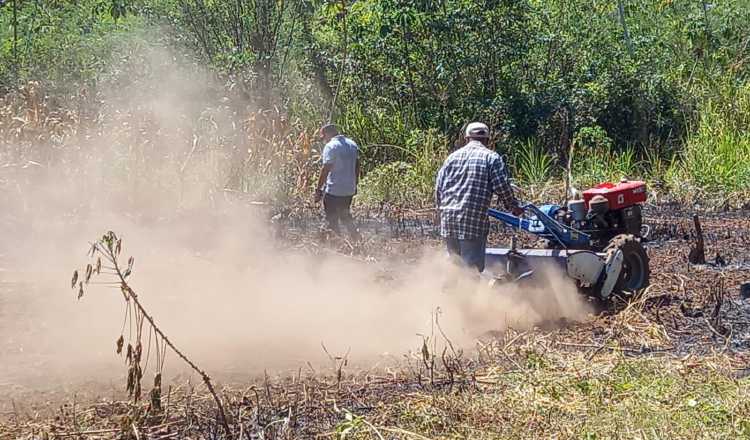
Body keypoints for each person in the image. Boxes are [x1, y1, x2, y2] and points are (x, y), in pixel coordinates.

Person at [435, 122, 523, 273]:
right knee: (471, 269)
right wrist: (513, 206)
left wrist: (440, 212)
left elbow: (438, 188)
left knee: (454, 265)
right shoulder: (491, 158)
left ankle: (448, 295)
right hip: (472, 220)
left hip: (448, 219)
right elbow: (502, 187)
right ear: (488, 140)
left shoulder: (451, 158)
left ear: (466, 138)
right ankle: (468, 296)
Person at [315, 123, 361, 240]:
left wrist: (318, 190)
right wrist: (355, 184)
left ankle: (336, 244)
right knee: (345, 216)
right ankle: (356, 239)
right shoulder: (352, 144)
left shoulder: (331, 146)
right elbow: (357, 166)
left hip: (334, 189)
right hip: (348, 189)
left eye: (323, 137)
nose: (324, 140)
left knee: (332, 219)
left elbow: (325, 169)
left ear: (327, 134)